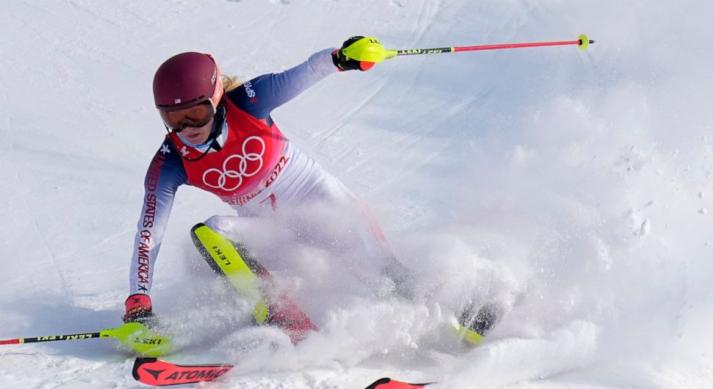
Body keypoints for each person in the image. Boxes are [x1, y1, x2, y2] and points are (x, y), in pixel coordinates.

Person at [122, 36, 493, 344]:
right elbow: (148, 233)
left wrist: (345, 57)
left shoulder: (249, 102)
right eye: (173, 118)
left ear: (216, 98)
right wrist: (138, 300)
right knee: (210, 232)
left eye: (197, 113)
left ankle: (464, 313)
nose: (188, 127)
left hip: (318, 200)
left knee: (384, 273)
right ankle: (283, 314)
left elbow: (311, 69)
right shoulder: (170, 161)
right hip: (272, 230)